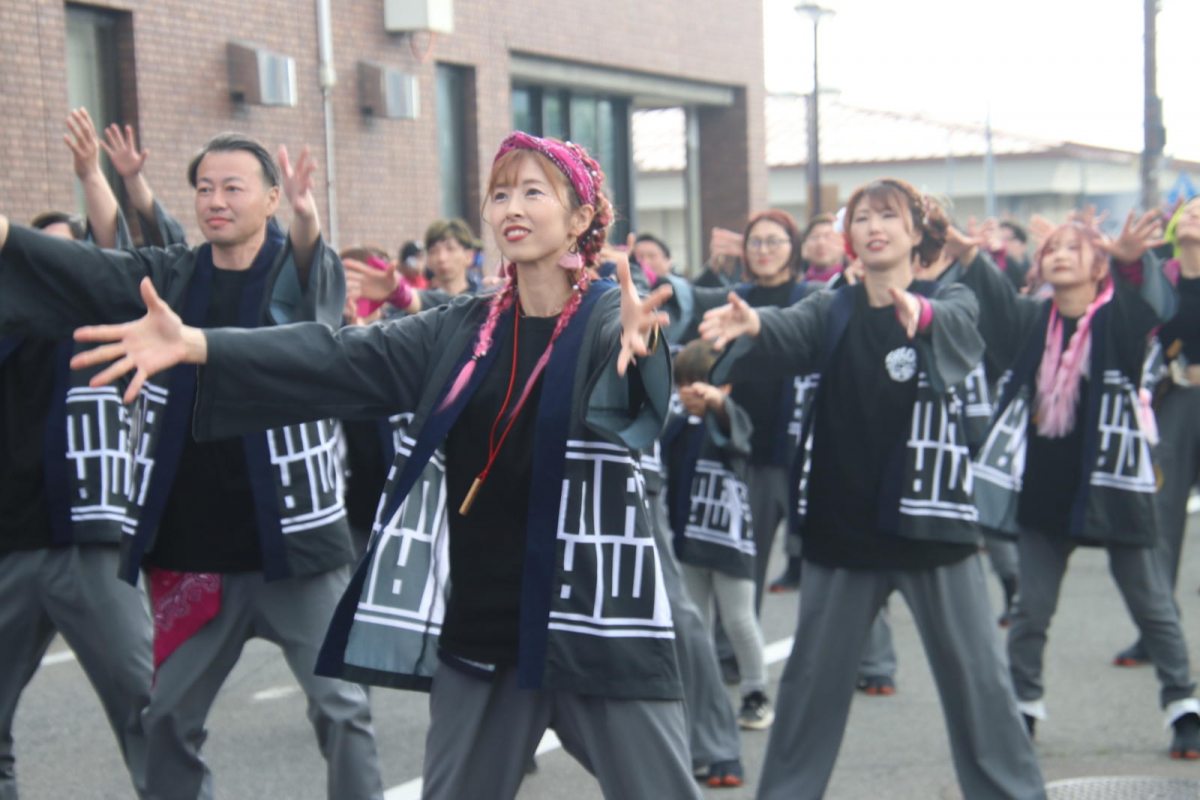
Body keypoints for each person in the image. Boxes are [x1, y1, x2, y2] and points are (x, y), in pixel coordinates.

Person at [67, 131, 701, 800]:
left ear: (579, 218)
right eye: (501, 193)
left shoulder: (607, 315)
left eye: (533, 192)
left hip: (597, 623)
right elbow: (333, 357)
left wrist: (642, 347)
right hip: (483, 631)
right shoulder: (462, 328)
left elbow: (633, 398)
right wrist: (198, 343)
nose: (511, 206)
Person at [0, 131, 383, 800]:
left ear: (270, 198)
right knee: (168, 718)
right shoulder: (170, 276)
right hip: (194, 556)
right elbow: (85, 272)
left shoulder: (296, 273)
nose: (214, 199)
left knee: (342, 709)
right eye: (204, 187)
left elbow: (312, 297)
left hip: (297, 549)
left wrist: (308, 218)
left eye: (232, 187)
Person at [701, 178, 1046, 800]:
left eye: (889, 215)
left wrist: (924, 313)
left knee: (980, 683)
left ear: (917, 234)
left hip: (936, 526)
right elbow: (785, 330)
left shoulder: (952, 296)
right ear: (848, 235)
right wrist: (753, 325)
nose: (873, 226)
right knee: (809, 688)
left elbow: (964, 327)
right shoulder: (831, 306)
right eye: (862, 217)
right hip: (843, 528)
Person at [963, 209, 1200, 759]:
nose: (1061, 256)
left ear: (1099, 267)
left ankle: (1183, 706)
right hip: (1044, 487)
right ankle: (1023, 706)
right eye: (1054, 250)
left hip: (1114, 481)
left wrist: (1129, 261)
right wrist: (970, 253)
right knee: (1031, 609)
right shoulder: (1031, 320)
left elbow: (1157, 307)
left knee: (1152, 604)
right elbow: (991, 307)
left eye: (1076, 248)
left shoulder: (1120, 318)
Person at [0, 109, 153, 800]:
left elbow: (110, 257)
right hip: (8, 546)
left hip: (88, 541)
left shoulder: (100, 333)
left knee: (145, 708)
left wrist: (94, 176)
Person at [663, 340, 773, 732]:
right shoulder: (675, 427)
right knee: (693, 622)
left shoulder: (731, 419)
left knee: (739, 620)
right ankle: (699, 699)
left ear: (723, 385)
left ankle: (755, 693)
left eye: (702, 383)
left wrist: (717, 403)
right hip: (686, 542)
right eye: (683, 383)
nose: (691, 391)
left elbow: (735, 431)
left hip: (729, 540)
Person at [1114, 196, 1200, 669]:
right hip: (1175, 402)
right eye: (1189, 211)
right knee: (1162, 518)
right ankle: (1156, 630)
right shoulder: (1161, 273)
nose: (1194, 217)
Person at [343, 219, 481, 316]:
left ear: (469, 256)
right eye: (434, 251)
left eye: (450, 249)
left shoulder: (485, 298)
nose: (441, 258)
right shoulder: (411, 308)